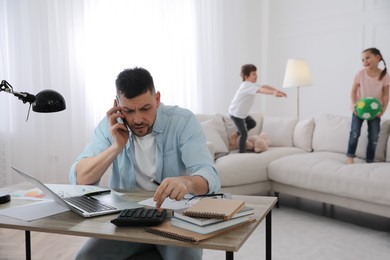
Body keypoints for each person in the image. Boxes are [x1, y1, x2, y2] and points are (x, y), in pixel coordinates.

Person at [69, 67, 220, 260]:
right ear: (117, 105)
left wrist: (186, 182)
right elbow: (81, 178)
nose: (137, 119)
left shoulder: (182, 121)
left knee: (184, 257)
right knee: (85, 258)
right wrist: (116, 146)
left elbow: (209, 174)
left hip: (175, 219)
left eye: (145, 108)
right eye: (129, 111)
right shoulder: (110, 126)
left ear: (157, 99)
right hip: (127, 219)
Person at [228, 64, 287, 153]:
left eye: (256, 74)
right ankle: (241, 152)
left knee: (252, 123)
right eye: (254, 74)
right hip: (236, 114)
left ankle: (235, 135)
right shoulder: (246, 85)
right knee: (244, 133)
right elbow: (262, 90)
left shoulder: (251, 85)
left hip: (242, 114)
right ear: (246, 76)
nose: (256, 76)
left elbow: (264, 87)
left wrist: (276, 91)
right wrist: (273, 93)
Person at [346, 47, 390, 164]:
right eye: (362, 60)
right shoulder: (360, 74)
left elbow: (386, 95)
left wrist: (383, 109)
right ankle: (350, 156)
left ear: (377, 57)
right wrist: (354, 104)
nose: (365, 61)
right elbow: (353, 91)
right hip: (359, 110)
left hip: (375, 111)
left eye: (367, 58)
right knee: (355, 133)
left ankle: (369, 160)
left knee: (374, 137)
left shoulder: (384, 75)